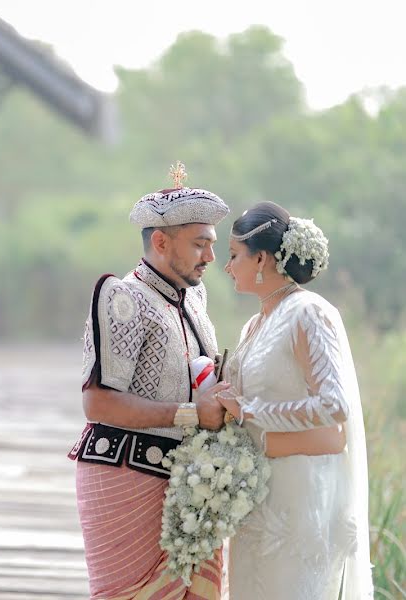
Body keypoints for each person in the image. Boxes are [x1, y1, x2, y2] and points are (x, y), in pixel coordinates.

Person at [68, 163, 232, 599]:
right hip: (124, 477)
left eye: (212, 245)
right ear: (160, 241)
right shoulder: (124, 298)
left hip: (188, 483)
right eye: (200, 244)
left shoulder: (194, 297)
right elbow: (98, 405)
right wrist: (193, 415)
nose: (210, 257)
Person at [217, 201, 373, 599]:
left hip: (299, 498)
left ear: (262, 259)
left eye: (234, 256)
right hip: (258, 498)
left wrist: (251, 411)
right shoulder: (255, 323)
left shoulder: (308, 313)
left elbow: (334, 404)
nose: (226, 266)